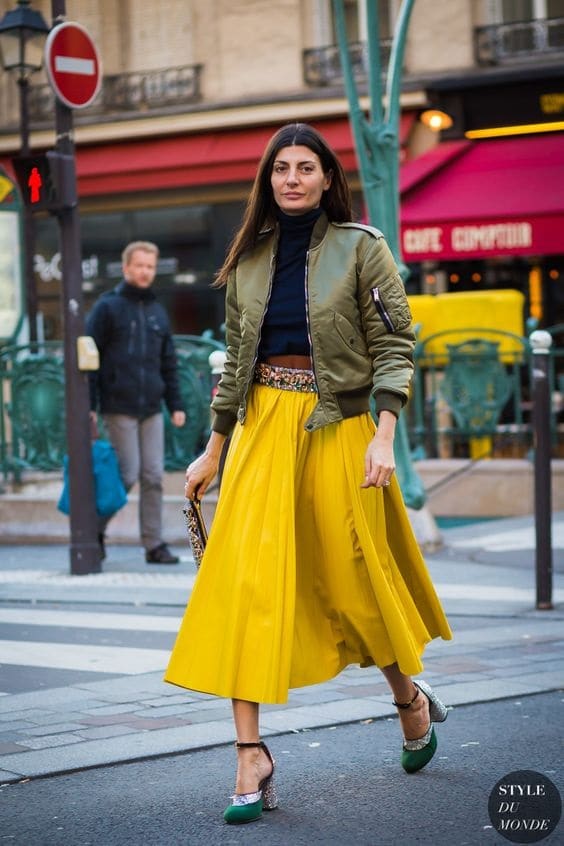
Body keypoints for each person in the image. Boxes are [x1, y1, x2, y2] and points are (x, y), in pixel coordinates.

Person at [165, 124, 452, 824]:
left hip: (341, 431)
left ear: (327, 178)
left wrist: (384, 436)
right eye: (280, 169)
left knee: (354, 581)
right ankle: (249, 752)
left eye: (305, 168)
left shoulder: (363, 248)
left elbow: (395, 344)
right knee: (244, 583)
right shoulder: (251, 260)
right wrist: (213, 450)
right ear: (268, 181)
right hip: (263, 428)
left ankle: (408, 700)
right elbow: (236, 364)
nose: (291, 178)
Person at [86, 240, 186, 564]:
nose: (145, 272)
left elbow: (168, 363)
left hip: (152, 409)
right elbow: (88, 360)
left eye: (150, 267)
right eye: (139, 265)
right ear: (126, 267)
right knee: (127, 475)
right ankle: (93, 532)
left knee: (154, 476)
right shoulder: (107, 307)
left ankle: (154, 544)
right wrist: (89, 405)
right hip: (118, 406)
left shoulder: (158, 311)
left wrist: (177, 405)